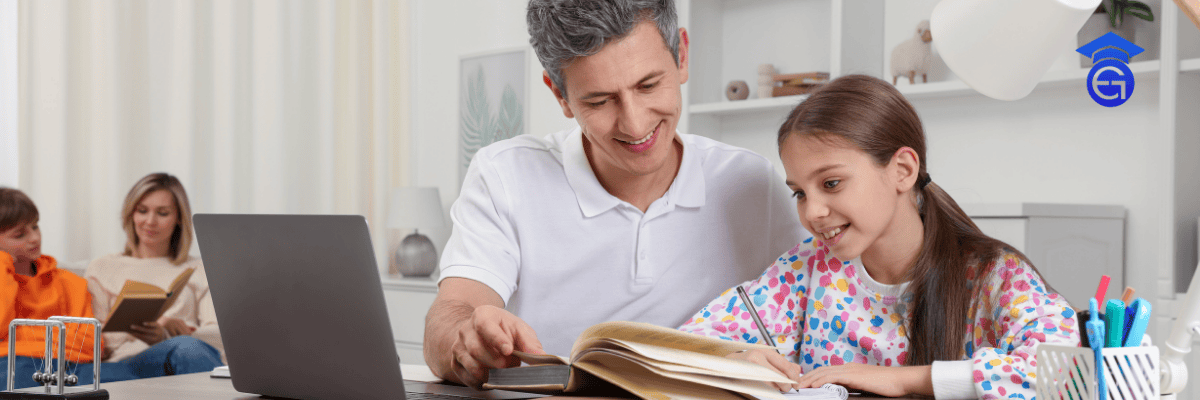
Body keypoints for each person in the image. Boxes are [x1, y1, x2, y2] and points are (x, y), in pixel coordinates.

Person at [424, 0, 808, 388]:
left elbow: (826, 300)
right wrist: (466, 338)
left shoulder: (750, 183)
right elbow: (452, 313)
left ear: (682, 56)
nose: (635, 122)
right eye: (599, 100)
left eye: (648, 85)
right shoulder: (504, 175)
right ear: (559, 94)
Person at [678, 75, 1081, 398]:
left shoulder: (994, 276)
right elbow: (689, 342)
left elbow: (1062, 369)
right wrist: (739, 356)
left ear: (903, 170)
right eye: (800, 193)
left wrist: (905, 380)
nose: (812, 211)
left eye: (831, 183)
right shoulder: (805, 269)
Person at [85, 173, 223, 372]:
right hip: (124, 366)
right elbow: (92, 340)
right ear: (131, 214)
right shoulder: (101, 267)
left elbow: (220, 338)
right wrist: (155, 326)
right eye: (142, 211)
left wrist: (167, 334)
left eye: (163, 213)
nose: (150, 221)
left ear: (178, 218)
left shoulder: (200, 268)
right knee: (187, 349)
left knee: (188, 348)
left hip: (184, 359)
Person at [0, 187, 103, 389]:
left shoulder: (71, 281)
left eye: (35, 227)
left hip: (74, 367)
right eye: (19, 234)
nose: (34, 238)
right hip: (15, 364)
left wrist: (18, 334)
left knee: (131, 375)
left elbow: (92, 343)